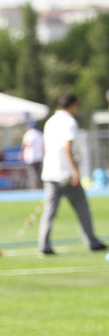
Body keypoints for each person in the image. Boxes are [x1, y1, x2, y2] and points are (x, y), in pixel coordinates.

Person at [38, 92, 106, 255]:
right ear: (73, 105)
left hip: (50, 173)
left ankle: (44, 244)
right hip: (66, 174)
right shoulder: (70, 122)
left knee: (49, 212)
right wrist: (76, 172)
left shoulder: (50, 122)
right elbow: (67, 148)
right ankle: (92, 241)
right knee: (82, 207)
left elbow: (46, 148)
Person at [21, 122, 44, 190]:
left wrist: (22, 153)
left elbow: (26, 144)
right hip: (39, 157)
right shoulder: (39, 134)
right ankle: (39, 186)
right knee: (38, 173)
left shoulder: (28, 134)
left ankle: (34, 187)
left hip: (30, 157)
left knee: (32, 174)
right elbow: (42, 146)